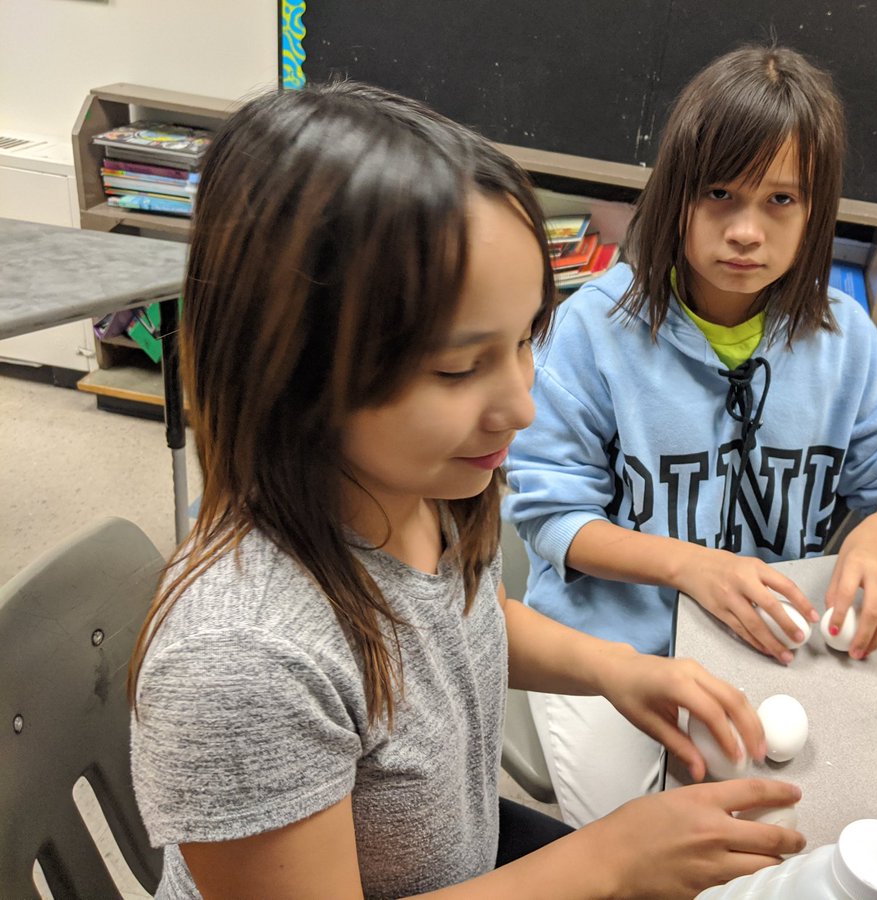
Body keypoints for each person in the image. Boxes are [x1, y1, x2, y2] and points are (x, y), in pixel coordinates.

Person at [127, 82, 807, 900]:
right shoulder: (243, 665)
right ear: (289, 369)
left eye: (525, 341)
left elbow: (455, 626)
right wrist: (608, 861)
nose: (522, 404)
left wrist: (614, 669)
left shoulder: (409, 484)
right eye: (458, 367)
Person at [503, 44, 877, 827]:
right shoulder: (593, 330)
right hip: (614, 647)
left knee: (818, 827)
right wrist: (688, 567)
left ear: (816, 211)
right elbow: (549, 518)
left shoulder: (845, 340)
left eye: (781, 201)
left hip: (769, 640)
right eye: (719, 194)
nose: (747, 231)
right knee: (648, 851)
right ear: (677, 194)